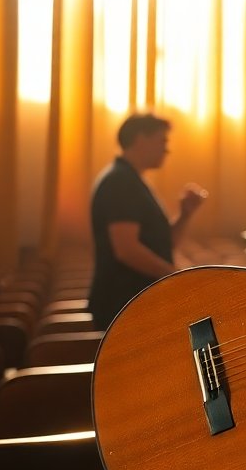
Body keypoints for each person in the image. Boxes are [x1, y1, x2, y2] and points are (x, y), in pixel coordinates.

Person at [88, 113, 207, 330]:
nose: (167, 149)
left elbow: (163, 244)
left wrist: (185, 214)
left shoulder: (132, 179)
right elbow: (126, 249)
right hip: (123, 305)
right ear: (141, 139)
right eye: (162, 141)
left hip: (133, 302)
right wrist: (175, 276)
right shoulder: (120, 181)